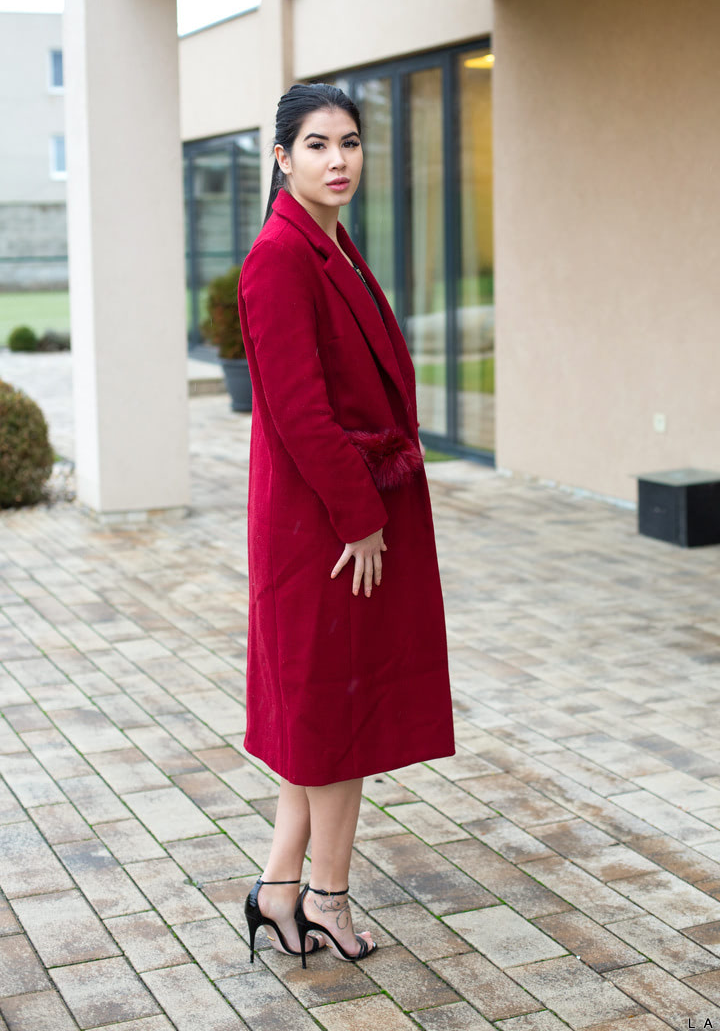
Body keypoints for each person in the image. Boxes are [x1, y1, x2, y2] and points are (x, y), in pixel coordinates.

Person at [238, 83, 455, 968]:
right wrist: (361, 518)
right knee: (334, 718)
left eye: (351, 143)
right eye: (318, 145)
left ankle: (280, 890)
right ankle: (325, 897)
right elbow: (299, 411)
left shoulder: (329, 242)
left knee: (329, 716)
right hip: (324, 529)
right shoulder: (279, 257)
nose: (339, 160)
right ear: (282, 158)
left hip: (344, 518)